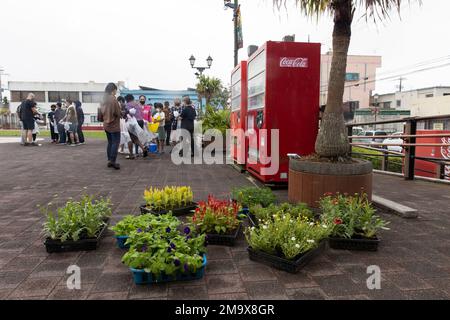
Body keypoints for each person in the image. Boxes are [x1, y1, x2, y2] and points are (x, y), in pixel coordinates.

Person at [98, 83, 121, 170]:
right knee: (115, 143)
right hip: (114, 124)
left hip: (106, 124)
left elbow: (100, 111)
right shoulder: (113, 99)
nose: (116, 92)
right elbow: (117, 113)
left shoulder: (103, 99)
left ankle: (109, 160)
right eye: (116, 90)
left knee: (110, 142)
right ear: (113, 90)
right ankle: (113, 161)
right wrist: (121, 113)